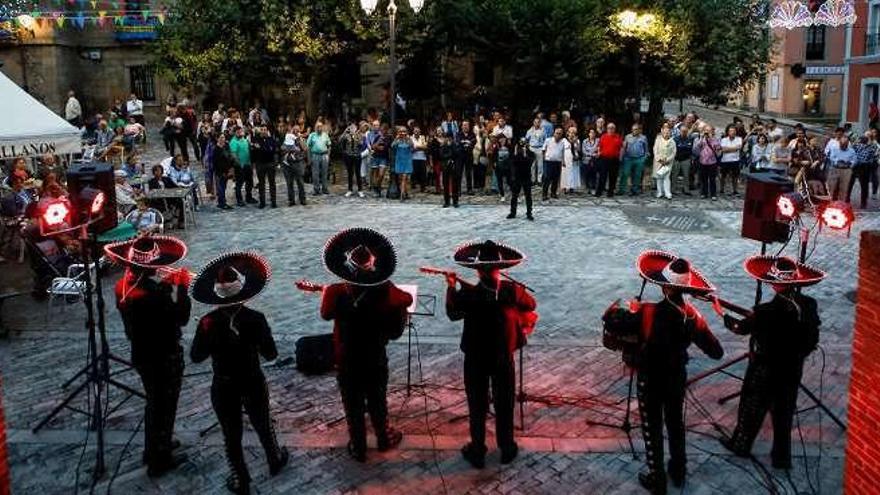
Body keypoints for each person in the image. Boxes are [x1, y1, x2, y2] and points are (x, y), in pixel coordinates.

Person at [191, 252, 289, 494]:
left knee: (231, 433)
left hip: (223, 384)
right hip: (252, 379)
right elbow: (271, 354)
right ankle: (274, 459)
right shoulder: (255, 318)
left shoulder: (207, 321)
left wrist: (207, 335)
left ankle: (240, 478)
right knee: (263, 424)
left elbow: (196, 356)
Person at [721, 256, 824, 470]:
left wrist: (723, 315)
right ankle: (781, 458)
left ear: (775, 284)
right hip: (793, 369)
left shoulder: (765, 312)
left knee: (751, 408)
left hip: (765, 369)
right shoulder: (808, 304)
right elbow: (812, 339)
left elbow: (741, 329)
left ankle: (740, 445)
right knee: (784, 413)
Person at [633, 251, 724, 494]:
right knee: (675, 424)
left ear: (665, 287)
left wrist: (633, 310)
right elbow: (716, 351)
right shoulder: (693, 315)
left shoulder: (648, 312)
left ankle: (657, 478)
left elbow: (619, 325)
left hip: (651, 378)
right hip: (676, 378)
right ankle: (678, 471)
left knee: (652, 427)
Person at [318, 228, 412, 462]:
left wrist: (327, 292)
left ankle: (358, 447)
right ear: (372, 264)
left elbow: (325, 314)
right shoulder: (386, 289)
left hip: (347, 357)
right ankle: (382, 438)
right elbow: (406, 301)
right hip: (374, 356)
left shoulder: (336, 291)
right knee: (377, 400)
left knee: (353, 406)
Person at [444, 240, 536, 469]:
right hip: (503, 355)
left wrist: (450, 286)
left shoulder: (469, 294)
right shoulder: (512, 290)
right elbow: (531, 304)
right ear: (500, 268)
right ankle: (507, 448)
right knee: (505, 402)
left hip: (475, 357)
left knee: (477, 404)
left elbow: (452, 313)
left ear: (477, 269)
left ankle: (477, 450)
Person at [106, 236, 191, 477]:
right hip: (163, 355)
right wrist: (182, 288)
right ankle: (159, 459)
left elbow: (148, 302)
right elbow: (180, 317)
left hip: (141, 353)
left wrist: (165, 285)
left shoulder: (122, 286)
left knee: (154, 403)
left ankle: (154, 447)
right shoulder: (154, 296)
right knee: (164, 405)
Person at [251, 126, 278, 209]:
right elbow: (254, 152)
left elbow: (272, 151)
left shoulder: (271, 140)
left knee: (272, 183)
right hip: (260, 164)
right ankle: (262, 202)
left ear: (267, 131)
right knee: (261, 184)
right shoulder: (256, 140)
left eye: (265, 130)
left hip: (270, 163)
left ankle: (273, 202)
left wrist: (260, 148)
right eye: (261, 130)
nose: (263, 131)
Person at [619, 123, 649, 196]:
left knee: (637, 175)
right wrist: (621, 156)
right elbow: (624, 147)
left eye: (636, 129)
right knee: (625, 173)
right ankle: (621, 190)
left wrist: (644, 158)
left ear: (639, 130)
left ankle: (634, 190)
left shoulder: (643, 138)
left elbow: (646, 149)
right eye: (633, 129)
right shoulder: (627, 137)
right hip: (628, 158)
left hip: (639, 159)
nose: (634, 131)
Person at [508, 138, 534, 221]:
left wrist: (525, 153)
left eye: (524, 143)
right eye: (521, 143)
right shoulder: (515, 153)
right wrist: (515, 152)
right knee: (514, 196)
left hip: (526, 177)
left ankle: (529, 213)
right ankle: (513, 212)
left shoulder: (531, 153)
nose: (523, 144)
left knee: (528, 196)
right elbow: (513, 162)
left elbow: (529, 163)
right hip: (517, 177)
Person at [280, 128, 308, 206]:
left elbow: (305, 149)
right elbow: (282, 148)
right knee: (289, 183)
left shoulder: (300, 140)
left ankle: (302, 199)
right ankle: (291, 200)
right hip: (287, 165)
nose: (295, 131)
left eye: (297, 130)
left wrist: (299, 140)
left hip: (298, 164)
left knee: (300, 183)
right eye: (294, 130)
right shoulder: (287, 138)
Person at [229, 127, 256, 207]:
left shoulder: (244, 139)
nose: (240, 133)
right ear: (234, 133)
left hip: (248, 164)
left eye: (241, 131)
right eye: (238, 132)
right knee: (239, 184)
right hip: (240, 166)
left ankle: (249, 197)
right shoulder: (233, 142)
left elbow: (248, 150)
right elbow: (233, 155)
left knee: (250, 182)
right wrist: (239, 164)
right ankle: (239, 200)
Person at [693, 126, 721, 200]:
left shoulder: (715, 139)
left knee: (712, 179)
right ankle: (704, 193)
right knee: (703, 179)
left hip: (712, 162)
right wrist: (702, 138)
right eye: (706, 130)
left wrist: (711, 139)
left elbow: (718, 148)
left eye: (709, 130)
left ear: (712, 131)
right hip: (703, 161)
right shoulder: (701, 139)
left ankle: (713, 194)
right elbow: (696, 148)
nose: (707, 132)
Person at [596, 122, 623, 197]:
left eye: (612, 128)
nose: (610, 129)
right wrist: (598, 152)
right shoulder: (603, 136)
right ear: (607, 129)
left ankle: (610, 192)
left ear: (615, 129)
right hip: (604, 159)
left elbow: (621, 148)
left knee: (613, 176)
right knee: (602, 176)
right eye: (609, 128)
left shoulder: (618, 137)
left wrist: (620, 157)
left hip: (614, 159)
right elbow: (599, 146)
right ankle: (599, 192)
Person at [541, 128, 569, 201]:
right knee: (547, 178)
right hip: (549, 162)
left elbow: (562, 152)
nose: (558, 135)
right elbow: (543, 150)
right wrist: (544, 159)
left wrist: (563, 161)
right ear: (554, 133)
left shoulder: (562, 142)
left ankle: (553, 193)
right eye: (557, 133)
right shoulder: (548, 140)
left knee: (555, 179)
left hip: (558, 162)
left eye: (560, 133)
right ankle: (544, 194)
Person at [827, 135, 857, 202]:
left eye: (845, 144)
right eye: (842, 144)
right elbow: (832, 158)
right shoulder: (835, 148)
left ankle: (842, 203)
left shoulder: (851, 151)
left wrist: (850, 164)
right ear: (839, 143)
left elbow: (854, 160)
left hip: (846, 169)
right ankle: (831, 201)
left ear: (847, 144)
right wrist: (838, 161)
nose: (843, 145)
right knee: (833, 187)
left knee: (844, 187)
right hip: (836, 168)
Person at [307, 121, 332, 195]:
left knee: (325, 173)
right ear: (315, 128)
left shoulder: (325, 135)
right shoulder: (312, 135)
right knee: (315, 173)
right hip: (315, 155)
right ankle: (316, 189)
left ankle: (325, 188)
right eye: (318, 127)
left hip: (324, 155)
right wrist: (309, 158)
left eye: (320, 126)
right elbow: (308, 147)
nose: (319, 128)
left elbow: (329, 145)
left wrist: (328, 155)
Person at [340, 123, 365, 197]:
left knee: (358, 173)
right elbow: (340, 140)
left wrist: (356, 136)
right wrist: (345, 132)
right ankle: (350, 189)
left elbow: (361, 144)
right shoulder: (346, 136)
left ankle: (360, 190)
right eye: (351, 128)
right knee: (350, 173)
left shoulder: (359, 135)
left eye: (354, 128)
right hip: (349, 156)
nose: (352, 129)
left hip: (357, 156)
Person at [437, 129, 460, 208]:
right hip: (445, 166)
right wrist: (450, 155)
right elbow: (441, 155)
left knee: (455, 185)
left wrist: (451, 147)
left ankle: (455, 201)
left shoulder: (455, 144)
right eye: (447, 137)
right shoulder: (443, 145)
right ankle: (446, 201)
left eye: (450, 137)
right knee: (445, 184)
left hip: (454, 166)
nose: (448, 139)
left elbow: (457, 153)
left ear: (452, 138)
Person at [853, 136, 877, 209]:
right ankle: (863, 202)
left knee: (850, 183)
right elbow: (872, 157)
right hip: (865, 167)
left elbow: (852, 151)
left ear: (860, 140)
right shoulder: (871, 148)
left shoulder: (856, 146)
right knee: (864, 186)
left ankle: (847, 199)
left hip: (856, 166)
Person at [653, 124, 676, 200]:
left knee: (666, 177)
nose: (666, 134)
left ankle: (667, 193)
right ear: (662, 132)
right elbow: (655, 151)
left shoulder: (672, 141)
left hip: (668, 162)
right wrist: (659, 159)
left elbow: (673, 153)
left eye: (668, 132)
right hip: (659, 162)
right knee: (659, 177)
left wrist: (668, 160)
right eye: (665, 132)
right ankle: (659, 192)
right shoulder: (658, 140)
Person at [391, 127, 414, 201]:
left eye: (404, 131)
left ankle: (402, 195)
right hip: (399, 161)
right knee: (401, 179)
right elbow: (392, 146)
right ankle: (405, 192)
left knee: (404, 178)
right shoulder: (397, 140)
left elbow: (412, 147)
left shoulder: (409, 140)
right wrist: (396, 138)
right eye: (401, 131)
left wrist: (408, 139)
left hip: (407, 161)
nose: (402, 133)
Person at [719, 124, 743, 196]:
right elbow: (723, 150)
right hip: (725, 160)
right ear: (728, 132)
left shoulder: (739, 139)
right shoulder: (724, 139)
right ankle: (722, 189)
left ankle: (735, 190)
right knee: (723, 176)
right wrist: (734, 148)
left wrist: (728, 149)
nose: (732, 132)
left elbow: (739, 147)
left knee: (735, 176)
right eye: (730, 131)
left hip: (735, 160)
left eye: (734, 131)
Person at [366, 121, 388, 197]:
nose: (383, 131)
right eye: (382, 130)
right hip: (375, 157)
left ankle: (376, 187)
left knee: (381, 174)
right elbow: (373, 146)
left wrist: (382, 147)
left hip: (383, 158)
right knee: (375, 174)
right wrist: (378, 144)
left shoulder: (388, 137)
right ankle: (377, 190)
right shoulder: (378, 137)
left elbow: (388, 147)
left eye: (384, 130)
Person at [458, 121, 477, 195]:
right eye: (464, 125)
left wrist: (465, 142)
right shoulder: (458, 134)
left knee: (468, 173)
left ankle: (469, 189)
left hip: (469, 155)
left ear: (469, 126)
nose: (465, 126)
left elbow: (474, 141)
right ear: (462, 126)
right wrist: (467, 142)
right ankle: (458, 189)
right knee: (459, 173)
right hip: (460, 156)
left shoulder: (472, 134)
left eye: (467, 125)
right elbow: (458, 142)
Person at [526, 117, 546, 183]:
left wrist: (544, 148)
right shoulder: (530, 130)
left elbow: (545, 140)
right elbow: (526, 139)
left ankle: (539, 180)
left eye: (538, 122)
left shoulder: (543, 130)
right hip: (532, 148)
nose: (537, 123)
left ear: (540, 123)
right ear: (533, 123)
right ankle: (533, 179)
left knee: (540, 165)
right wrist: (528, 147)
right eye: (535, 122)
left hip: (540, 148)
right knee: (532, 165)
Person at [562, 127, 581, 194]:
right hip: (566, 157)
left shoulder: (577, 140)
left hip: (574, 157)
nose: (572, 133)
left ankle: (572, 187)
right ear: (568, 133)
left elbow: (579, 150)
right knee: (565, 172)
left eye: (573, 132)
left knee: (574, 172)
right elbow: (562, 151)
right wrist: (562, 160)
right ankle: (565, 187)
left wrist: (575, 142)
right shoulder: (564, 140)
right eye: (570, 132)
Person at [581, 128, 600, 194]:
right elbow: (584, 151)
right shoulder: (584, 141)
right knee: (586, 174)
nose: (592, 134)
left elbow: (598, 150)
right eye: (591, 132)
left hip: (595, 160)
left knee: (594, 174)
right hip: (586, 160)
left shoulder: (598, 141)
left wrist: (592, 153)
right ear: (588, 134)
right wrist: (592, 153)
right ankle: (587, 187)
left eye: (593, 133)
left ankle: (593, 187)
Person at [411, 127, 429, 194]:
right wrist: (421, 147)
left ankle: (423, 188)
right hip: (414, 158)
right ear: (413, 131)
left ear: (420, 132)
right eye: (415, 131)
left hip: (422, 158)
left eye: (418, 131)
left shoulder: (422, 137)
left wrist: (417, 147)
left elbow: (425, 147)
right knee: (414, 173)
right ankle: (413, 186)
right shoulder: (411, 138)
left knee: (423, 174)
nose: (417, 132)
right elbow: (411, 148)